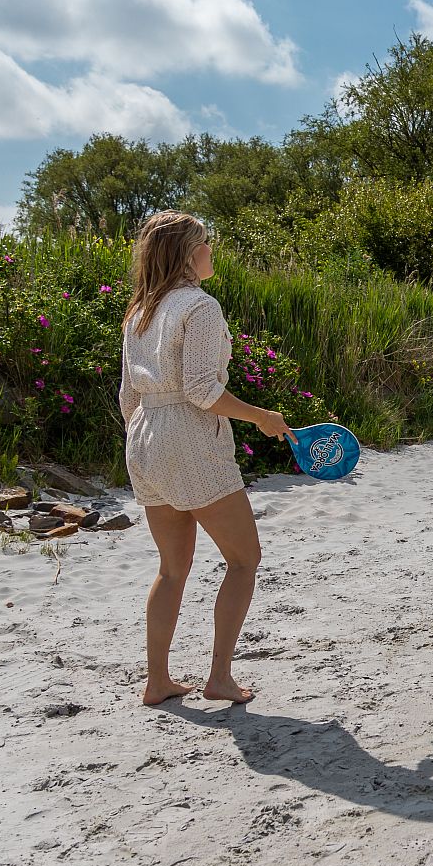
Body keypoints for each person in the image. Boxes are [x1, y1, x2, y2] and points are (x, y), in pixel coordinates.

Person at [118, 211, 294, 706]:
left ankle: (157, 682)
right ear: (188, 253)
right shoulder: (199, 306)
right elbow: (201, 389)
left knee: (171, 568)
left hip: (144, 437)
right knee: (244, 559)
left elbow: (127, 397)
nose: (210, 250)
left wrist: (147, 439)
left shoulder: (139, 312)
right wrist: (261, 416)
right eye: (205, 243)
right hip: (189, 439)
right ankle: (219, 677)